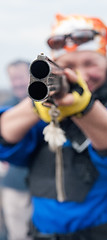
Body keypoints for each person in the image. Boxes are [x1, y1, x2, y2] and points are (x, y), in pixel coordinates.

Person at [0, 13, 107, 240]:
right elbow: (6, 138)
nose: (82, 74)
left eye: (89, 63)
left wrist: (85, 108)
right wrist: (37, 107)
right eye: (69, 65)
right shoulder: (48, 102)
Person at [0, 60, 32, 240]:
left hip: (45, 187)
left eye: (21, 77)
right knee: (18, 234)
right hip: (14, 186)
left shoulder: (49, 105)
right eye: (13, 79)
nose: (17, 83)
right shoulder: (6, 110)